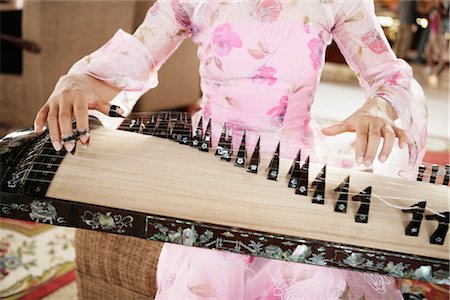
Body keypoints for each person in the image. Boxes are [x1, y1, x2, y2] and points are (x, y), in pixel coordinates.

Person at [33, 0, 427, 298]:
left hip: (294, 163)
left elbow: (388, 75)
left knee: (307, 272)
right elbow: (136, 55)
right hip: (209, 161)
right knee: (209, 263)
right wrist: (81, 81)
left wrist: (378, 107)